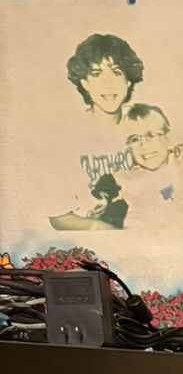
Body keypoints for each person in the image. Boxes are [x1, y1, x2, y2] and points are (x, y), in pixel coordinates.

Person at [49, 32, 146, 232]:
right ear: (84, 83)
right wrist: (96, 227)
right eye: (96, 74)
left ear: (128, 81)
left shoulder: (143, 126)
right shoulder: (66, 138)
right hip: (92, 244)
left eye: (117, 72)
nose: (108, 83)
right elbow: (57, 216)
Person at [117, 105, 183, 228]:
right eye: (134, 139)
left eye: (151, 135)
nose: (143, 144)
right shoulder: (130, 182)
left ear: (168, 138)